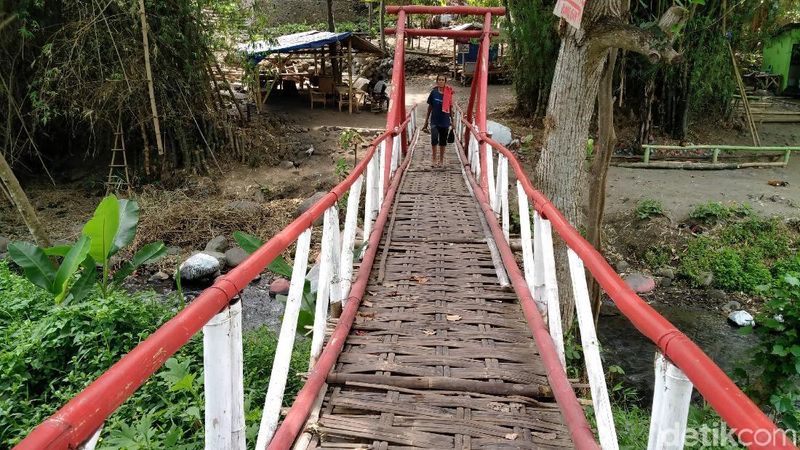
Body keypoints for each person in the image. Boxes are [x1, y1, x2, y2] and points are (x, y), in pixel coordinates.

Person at [422, 74, 453, 168]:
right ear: (437, 81)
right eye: (439, 80)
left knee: (443, 141)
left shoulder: (449, 93)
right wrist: (426, 121)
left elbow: (450, 108)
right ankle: (434, 159)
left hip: (445, 120)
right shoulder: (433, 93)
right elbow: (430, 107)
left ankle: (441, 160)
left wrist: (453, 121)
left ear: (445, 82)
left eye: (442, 80)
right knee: (434, 139)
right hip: (434, 120)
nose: (440, 81)